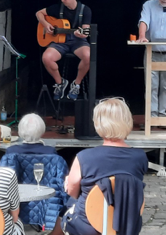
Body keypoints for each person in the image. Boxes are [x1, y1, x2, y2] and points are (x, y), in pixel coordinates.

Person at [61, 98, 148, 235]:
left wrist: (68, 184)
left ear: (98, 124)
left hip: (87, 227)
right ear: (128, 122)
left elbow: (72, 193)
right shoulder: (140, 157)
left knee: (65, 209)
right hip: (125, 226)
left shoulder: (84, 157)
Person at [36, 0, 93, 101]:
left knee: (88, 56)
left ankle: (76, 84)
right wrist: (46, 24)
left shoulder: (85, 10)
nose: (62, 0)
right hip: (60, 41)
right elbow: (38, 13)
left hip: (78, 41)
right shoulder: (57, 8)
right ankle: (60, 83)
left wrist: (81, 33)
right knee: (46, 58)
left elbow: (85, 31)